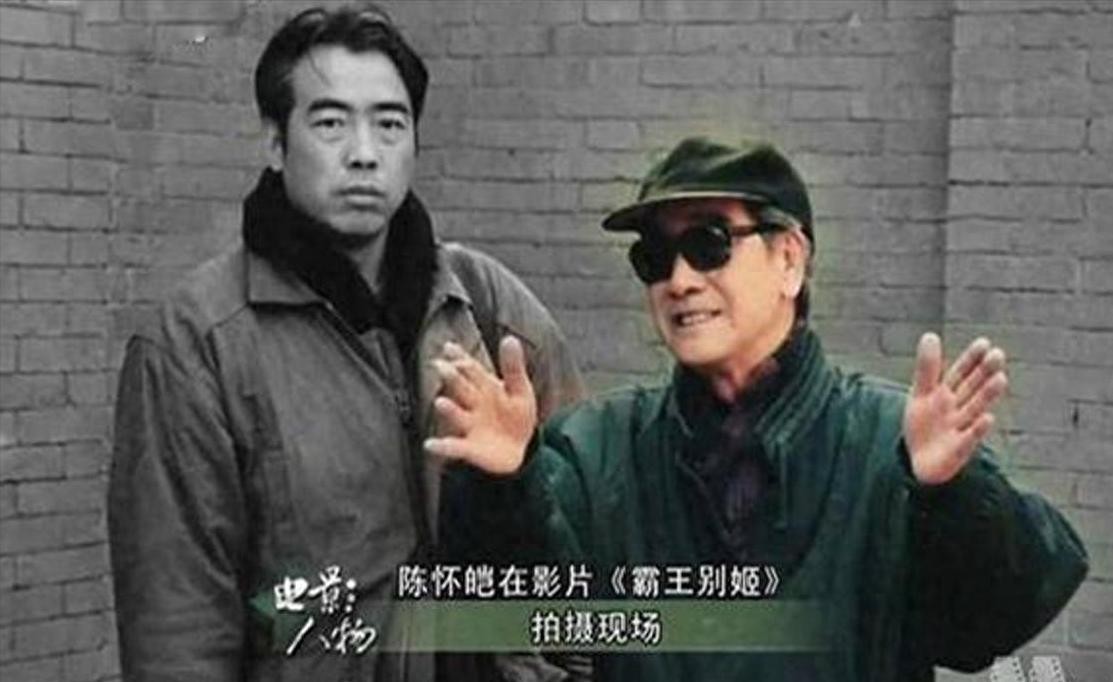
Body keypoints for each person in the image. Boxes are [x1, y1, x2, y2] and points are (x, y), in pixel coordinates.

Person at [426, 137, 1089, 681]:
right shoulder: (598, 450)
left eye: (709, 244)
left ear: (789, 260)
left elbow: (992, 626)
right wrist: (502, 487)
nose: (679, 280)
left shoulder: (894, 444)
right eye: (654, 257)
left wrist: (951, 494)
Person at [107, 4, 583, 681]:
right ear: (275, 143)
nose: (364, 153)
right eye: (330, 123)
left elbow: (590, 547)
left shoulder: (488, 309)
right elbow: (177, 631)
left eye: (390, 124)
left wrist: (520, 477)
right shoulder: (197, 345)